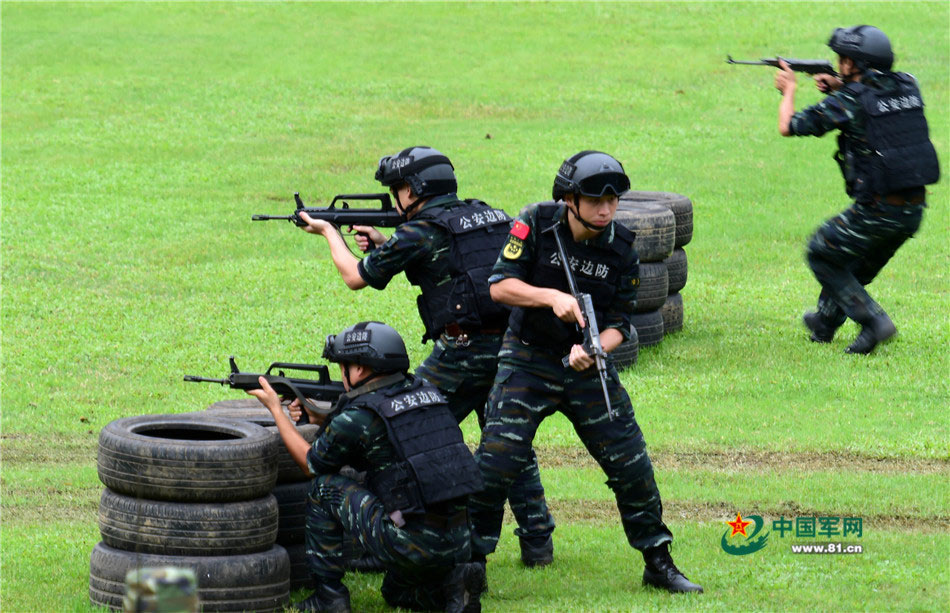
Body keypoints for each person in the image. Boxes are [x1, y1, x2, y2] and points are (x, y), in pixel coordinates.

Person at [296, 146, 557, 566]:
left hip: (462, 352)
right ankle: (538, 540)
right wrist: (386, 243)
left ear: (417, 189)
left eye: (398, 187)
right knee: (508, 441)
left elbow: (355, 276)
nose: (396, 197)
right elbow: (456, 266)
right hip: (513, 346)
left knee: (405, 425)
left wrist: (330, 232)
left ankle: (394, 535)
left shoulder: (419, 232)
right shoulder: (489, 214)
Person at [467, 151, 703, 594]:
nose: (606, 209)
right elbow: (500, 286)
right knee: (496, 462)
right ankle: (472, 560)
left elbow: (620, 324)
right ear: (569, 199)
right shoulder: (535, 224)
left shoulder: (623, 250)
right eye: (596, 199)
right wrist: (550, 298)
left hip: (586, 370)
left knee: (631, 463)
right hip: (527, 359)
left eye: (613, 200)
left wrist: (595, 349)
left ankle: (657, 559)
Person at [247, 321, 485, 613]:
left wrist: (275, 408)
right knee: (395, 592)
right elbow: (382, 440)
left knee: (323, 489)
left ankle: (329, 598)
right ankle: (454, 585)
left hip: (412, 542)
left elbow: (311, 464)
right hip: (459, 541)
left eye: (343, 365)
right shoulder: (428, 393)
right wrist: (321, 417)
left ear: (359, 368)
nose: (342, 374)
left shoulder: (358, 416)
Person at [775, 25, 939, 354]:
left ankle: (875, 322)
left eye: (843, 59)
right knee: (855, 265)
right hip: (912, 210)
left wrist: (789, 89)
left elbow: (789, 126)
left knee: (821, 252)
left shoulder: (849, 100)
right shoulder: (909, 84)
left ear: (854, 64)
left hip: (878, 209)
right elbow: (873, 98)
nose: (838, 64)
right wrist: (838, 86)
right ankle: (825, 322)